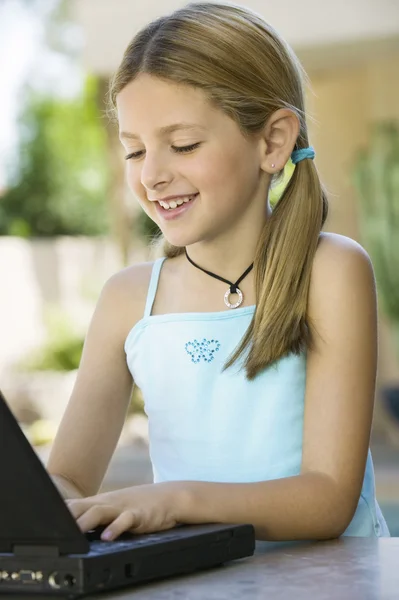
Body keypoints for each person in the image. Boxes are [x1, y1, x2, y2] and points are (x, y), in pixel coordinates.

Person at [47, 1, 390, 541]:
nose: (153, 175)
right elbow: (65, 478)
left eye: (182, 145)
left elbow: (327, 497)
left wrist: (176, 500)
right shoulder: (126, 299)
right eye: (134, 152)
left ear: (272, 142)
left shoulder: (331, 271)